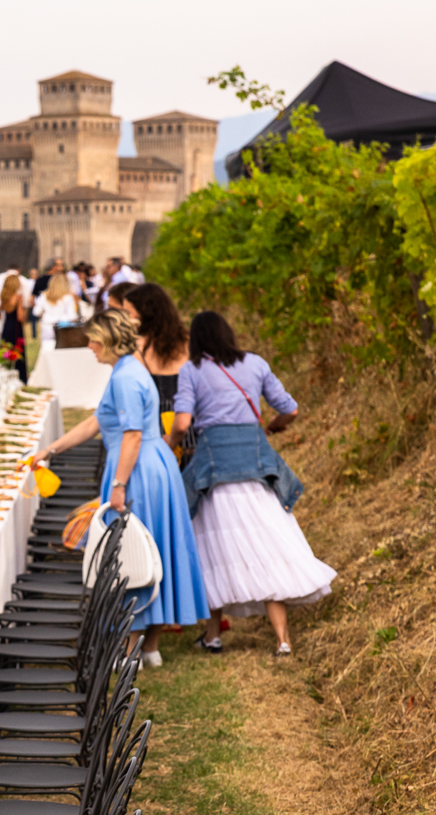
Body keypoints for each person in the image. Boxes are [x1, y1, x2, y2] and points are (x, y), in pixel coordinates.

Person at [34, 307, 208, 667]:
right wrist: (51, 449)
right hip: (150, 462)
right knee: (153, 545)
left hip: (137, 468)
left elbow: (130, 435)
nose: (90, 348)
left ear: (110, 341)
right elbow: (96, 422)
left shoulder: (127, 377)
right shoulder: (127, 370)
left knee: (131, 551)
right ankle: (149, 648)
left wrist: (118, 484)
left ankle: (130, 651)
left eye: (94, 341)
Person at [173, 311, 335, 659]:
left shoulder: (191, 371)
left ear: (197, 340)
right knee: (267, 547)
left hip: (214, 471)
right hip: (257, 469)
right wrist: (272, 428)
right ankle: (283, 640)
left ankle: (213, 635)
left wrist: (170, 441)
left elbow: (183, 421)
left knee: (213, 551)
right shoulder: (256, 363)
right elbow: (290, 409)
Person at [122, 281, 189, 417]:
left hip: (156, 419)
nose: (125, 318)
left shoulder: (137, 348)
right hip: (190, 416)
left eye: (128, 312)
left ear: (144, 313)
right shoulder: (189, 342)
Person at [31, 267, 91, 347]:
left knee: (47, 351)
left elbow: (36, 312)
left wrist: (44, 313)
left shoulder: (44, 295)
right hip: (63, 329)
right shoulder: (68, 297)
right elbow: (72, 316)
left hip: (47, 326)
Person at [0, 270, 29, 378]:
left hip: (6, 326)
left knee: (7, 351)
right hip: (16, 327)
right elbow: (20, 317)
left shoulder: (4, 297)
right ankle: (21, 376)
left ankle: (7, 375)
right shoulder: (18, 297)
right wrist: (24, 314)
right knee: (18, 351)